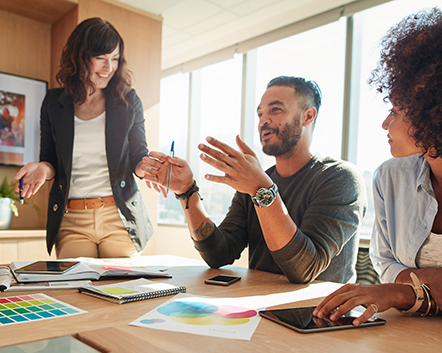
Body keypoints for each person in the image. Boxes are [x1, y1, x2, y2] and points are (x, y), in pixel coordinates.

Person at [143, 76, 367, 284]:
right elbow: (219, 254)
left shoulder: (341, 178)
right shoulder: (257, 182)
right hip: (260, 310)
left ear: (307, 116)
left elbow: (304, 269)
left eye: (275, 110)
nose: (263, 121)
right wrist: (186, 191)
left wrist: (261, 189)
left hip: (320, 319)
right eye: (260, 114)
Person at [315, 8, 442, 325]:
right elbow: (385, 264)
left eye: (397, 111)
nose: (386, 123)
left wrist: (406, 292)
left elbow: (396, 284)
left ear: (433, 112)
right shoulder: (389, 176)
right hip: (407, 339)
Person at [15, 18, 153, 258]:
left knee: (123, 290)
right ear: (80, 57)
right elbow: (50, 161)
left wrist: (150, 168)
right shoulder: (53, 103)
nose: (109, 67)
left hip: (119, 217)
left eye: (115, 59)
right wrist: (41, 168)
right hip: (71, 220)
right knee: (74, 291)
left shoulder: (128, 101)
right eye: (101, 58)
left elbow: (138, 158)